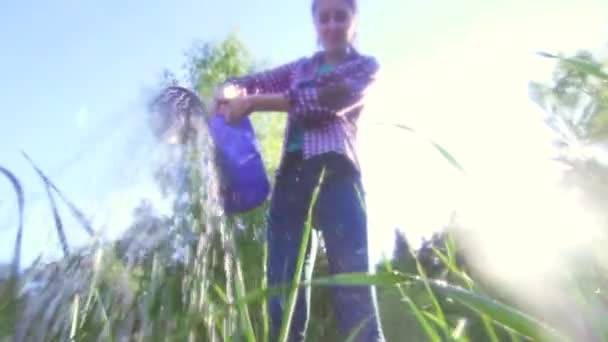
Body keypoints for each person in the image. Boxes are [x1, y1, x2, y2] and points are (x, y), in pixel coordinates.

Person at [212, 0, 385, 341]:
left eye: (341, 16)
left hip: (337, 176)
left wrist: (255, 103)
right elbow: (251, 82)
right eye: (325, 18)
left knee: (354, 288)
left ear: (355, 22)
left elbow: (330, 100)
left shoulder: (364, 67)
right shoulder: (300, 69)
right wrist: (226, 92)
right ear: (316, 25)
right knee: (282, 292)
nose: (333, 24)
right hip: (290, 183)